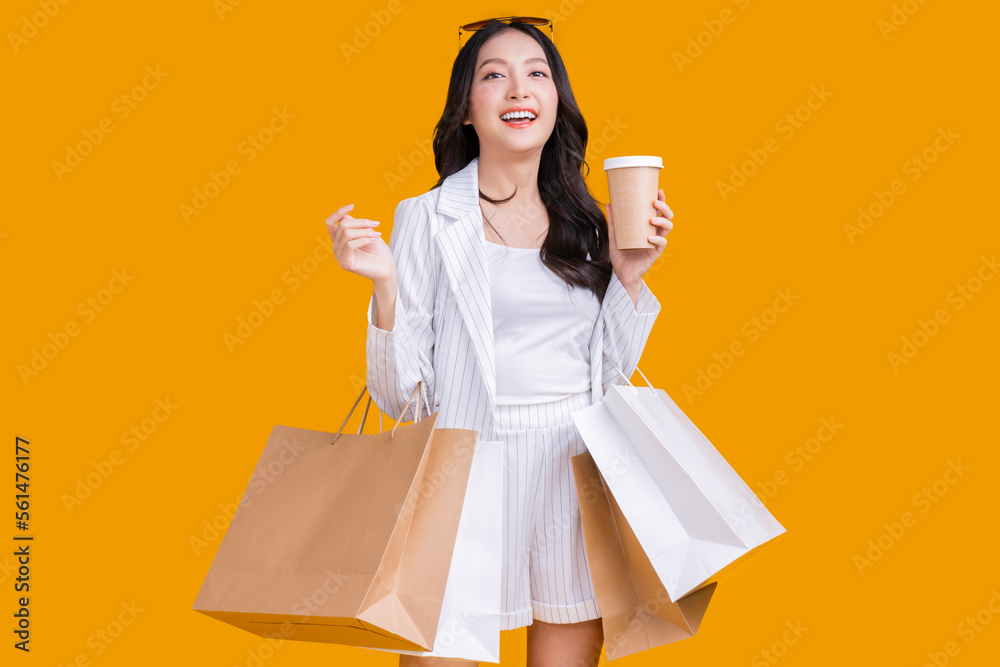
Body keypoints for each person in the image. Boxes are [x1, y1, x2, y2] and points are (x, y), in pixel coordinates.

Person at [326, 18, 673, 667]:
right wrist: (383, 287)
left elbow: (609, 374)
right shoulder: (426, 218)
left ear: (556, 100)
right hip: (463, 477)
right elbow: (398, 394)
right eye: (495, 74)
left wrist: (628, 275)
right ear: (467, 108)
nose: (519, 88)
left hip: (571, 478)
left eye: (536, 72)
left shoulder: (588, 221)